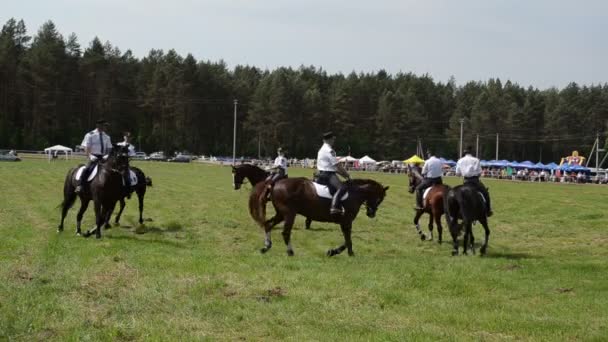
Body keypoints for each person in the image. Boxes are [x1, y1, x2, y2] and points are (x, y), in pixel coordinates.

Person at [316, 131, 351, 215]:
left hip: (320, 173)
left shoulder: (321, 149)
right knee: (342, 188)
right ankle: (334, 207)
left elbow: (333, 168)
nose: (333, 141)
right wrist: (347, 174)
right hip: (328, 175)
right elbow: (337, 165)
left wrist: (343, 175)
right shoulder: (329, 150)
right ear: (330, 139)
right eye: (333, 139)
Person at [75, 119, 112, 194]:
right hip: (93, 156)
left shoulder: (107, 137)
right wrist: (90, 155)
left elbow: (109, 148)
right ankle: (80, 186)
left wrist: (107, 155)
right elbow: (86, 147)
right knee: (87, 169)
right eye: (104, 125)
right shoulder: (90, 135)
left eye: (106, 126)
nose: (105, 127)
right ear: (98, 125)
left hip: (103, 157)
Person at [455, 146, 493, 217]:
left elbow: (457, 174)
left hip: (466, 181)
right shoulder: (476, 160)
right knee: (485, 193)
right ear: (471, 152)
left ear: (464, 152)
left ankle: (457, 212)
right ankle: (488, 211)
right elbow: (479, 173)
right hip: (475, 181)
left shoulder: (460, 160)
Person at [117, 132, 136, 198]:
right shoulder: (119, 144)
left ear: (131, 138)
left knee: (127, 177)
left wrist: (127, 156)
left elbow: (132, 156)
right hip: (117, 164)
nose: (127, 138)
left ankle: (128, 191)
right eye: (126, 136)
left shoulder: (131, 147)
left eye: (129, 137)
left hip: (125, 165)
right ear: (124, 137)